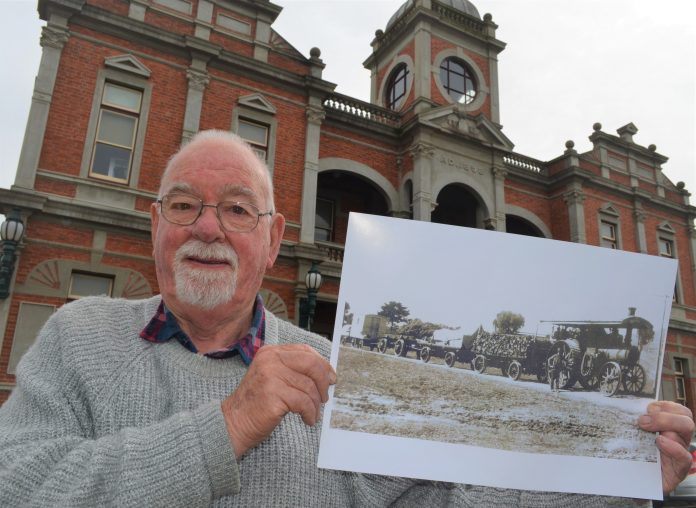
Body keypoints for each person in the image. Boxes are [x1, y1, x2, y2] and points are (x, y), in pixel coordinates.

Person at [0, 130, 693, 506]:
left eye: (238, 210)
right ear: (156, 227)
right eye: (183, 205)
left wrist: (621, 482)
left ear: (272, 243)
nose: (207, 227)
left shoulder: (333, 365)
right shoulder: (78, 333)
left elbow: (451, 496)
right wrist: (229, 424)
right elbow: (19, 485)